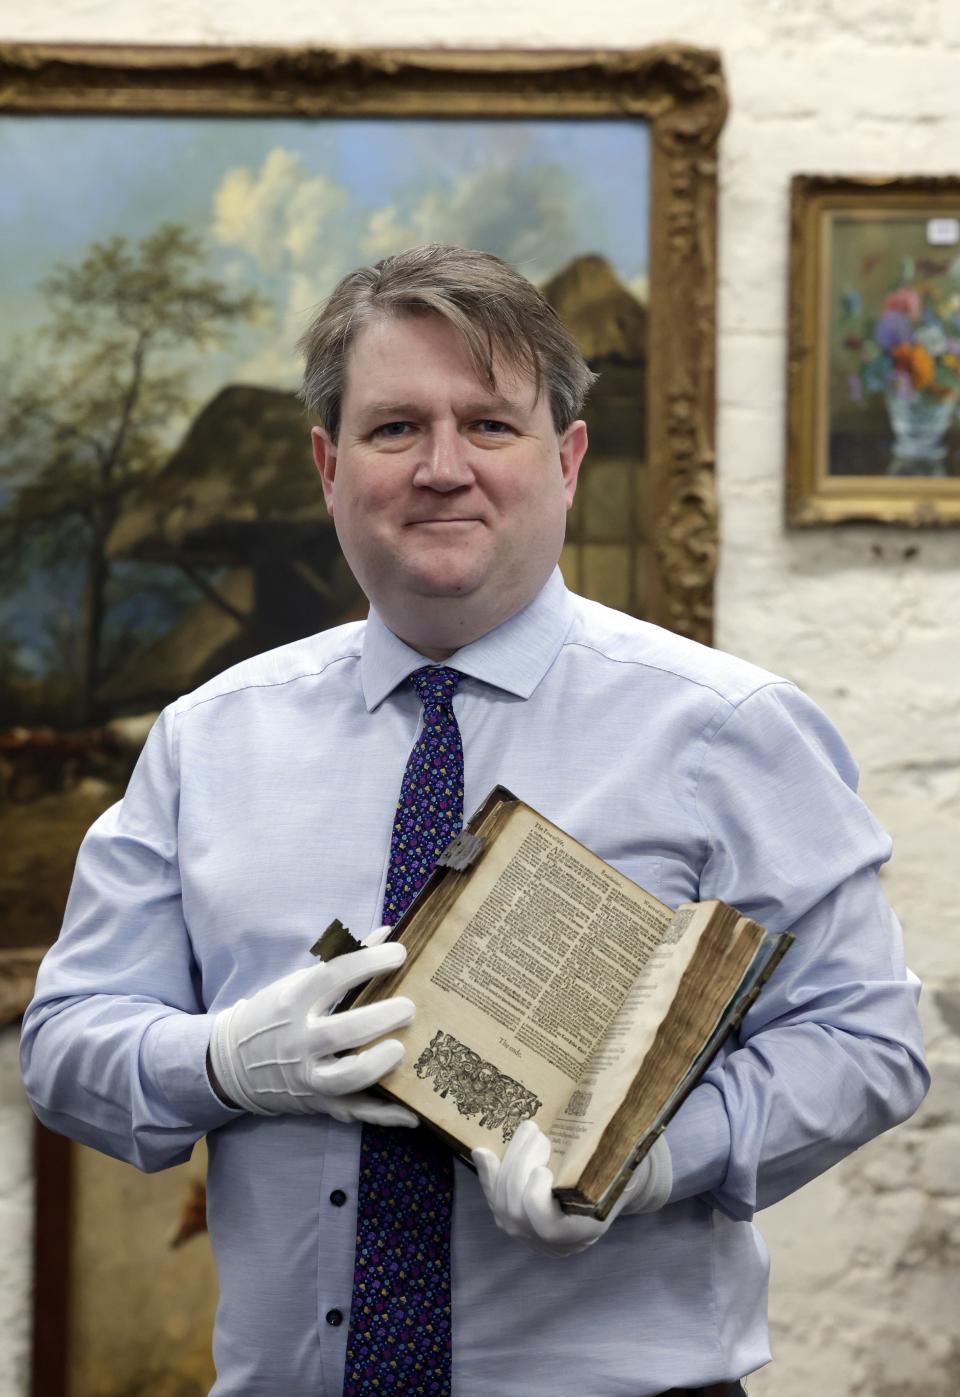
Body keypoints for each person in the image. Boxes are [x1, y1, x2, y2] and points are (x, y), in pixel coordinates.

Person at [21, 244, 928, 1397]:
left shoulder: (730, 728)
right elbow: (63, 1046)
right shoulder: (209, 739)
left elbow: (866, 1043)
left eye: (490, 425)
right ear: (327, 464)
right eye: (395, 427)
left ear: (568, 456)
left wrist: (645, 1161)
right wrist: (226, 1061)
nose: (442, 468)